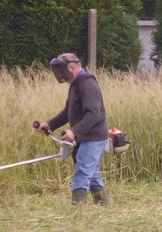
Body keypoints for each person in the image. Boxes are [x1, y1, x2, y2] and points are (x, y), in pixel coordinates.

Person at [35, 53, 110, 205]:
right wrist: (50, 124)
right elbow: (68, 112)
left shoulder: (87, 85)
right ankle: (103, 204)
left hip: (93, 137)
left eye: (61, 70)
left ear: (72, 68)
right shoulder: (76, 85)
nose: (59, 74)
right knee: (92, 173)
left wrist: (74, 131)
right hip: (85, 136)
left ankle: (77, 209)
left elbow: (93, 114)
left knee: (83, 170)